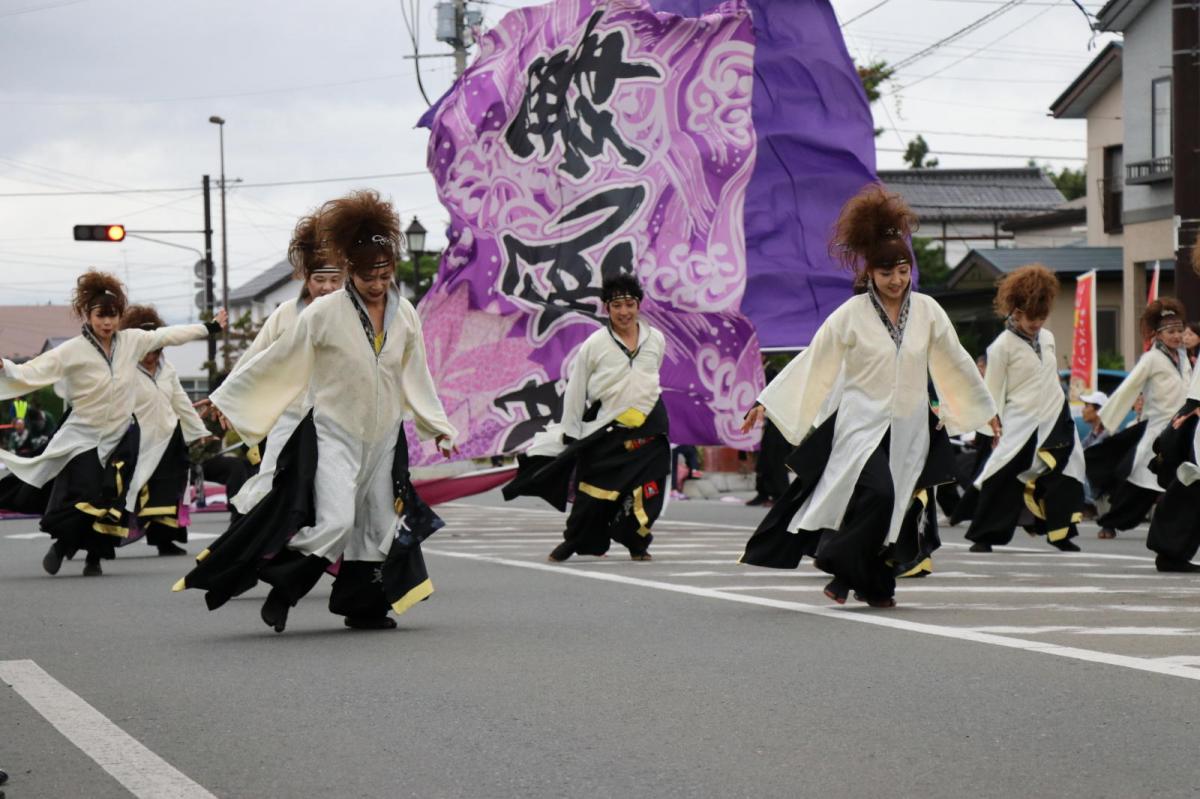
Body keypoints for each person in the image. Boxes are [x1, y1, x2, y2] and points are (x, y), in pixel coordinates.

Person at [177, 189, 457, 632]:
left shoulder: (405, 316)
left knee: (378, 525)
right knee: (336, 520)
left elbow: (416, 373)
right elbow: (277, 359)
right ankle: (283, 588)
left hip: (384, 436)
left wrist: (437, 426)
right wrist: (227, 396)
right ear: (352, 270)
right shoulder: (323, 314)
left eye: (385, 275)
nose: (378, 284)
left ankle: (364, 607)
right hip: (334, 430)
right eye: (369, 276)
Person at [739, 184, 997, 608]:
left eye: (902, 271)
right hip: (860, 426)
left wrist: (984, 411)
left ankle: (872, 583)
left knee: (895, 509)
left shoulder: (929, 311)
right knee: (879, 494)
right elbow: (815, 359)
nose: (896, 280)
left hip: (909, 428)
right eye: (885, 273)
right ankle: (838, 562)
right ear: (869, 274)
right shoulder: (852, 315)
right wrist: (767, 399)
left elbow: (957, 362)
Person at [0, 270, 224, 576]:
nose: (107, 323)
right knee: (86, 493)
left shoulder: (132, 342)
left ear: (120, 316)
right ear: (88, 315)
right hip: (84, 434)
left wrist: (209, 327)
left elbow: (167, 335)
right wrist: (8, 367)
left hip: (121, 436)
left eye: (113, 315)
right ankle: (62, 545)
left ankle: (93, 557)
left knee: (111, 499)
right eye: (100, 316)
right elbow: (36, 371)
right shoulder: (72, 350)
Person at [503, 273, 670, 563]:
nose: (624, 312)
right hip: (608, 427)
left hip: (650, 427)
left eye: (629, 304)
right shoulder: (595, 343)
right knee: (593, 493)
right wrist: (571, 430)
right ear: (606, 308)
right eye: (617, 305)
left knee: (650, 489)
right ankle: (572, 542)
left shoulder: (655, 340)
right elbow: (576, 388)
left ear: (639, 305)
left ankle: (636, 542)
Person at [216, 209, 344, 516]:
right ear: (305, 279)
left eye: (334, 280)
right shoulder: (286, 313)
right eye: (319, 279)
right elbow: (255, 357)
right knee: (273, 481)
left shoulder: (351, 315)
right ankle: (261, 547)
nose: (327, 287)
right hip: (290, 414)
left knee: (337, 491)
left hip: (337, 416)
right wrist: (226, 399)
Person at [961, 265, 1085, 553]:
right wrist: (992, 424)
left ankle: (1060, 532)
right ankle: (984, 535)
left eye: (1042, 317)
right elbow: (991, 391)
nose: (1037, 323)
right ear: (1015, 311)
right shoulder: (1001, 347)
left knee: (1068, 469)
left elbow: (1051, 377)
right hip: (1021, 420)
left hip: (1056, 416)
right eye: (1031, 317)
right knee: (1002, 473)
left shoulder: (1048, 338)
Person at [1086, 298, 1191, 539]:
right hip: (1158, 431)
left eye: (1179, 331)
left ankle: (1179, 528)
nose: (1176, 336)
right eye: (1171, 332)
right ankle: (1110, 522)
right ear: (1158, 335)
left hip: (1182, 428)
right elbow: (1128, 388)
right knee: (1141, 484)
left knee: (1185, 479)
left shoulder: (1184, 359)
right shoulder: (1151, 359)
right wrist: (1107, 418)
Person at [119, 305, 213, 556]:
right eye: (147, 351)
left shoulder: (167, 369)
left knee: (168, 490)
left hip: (168, 440)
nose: (151, 357)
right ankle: (103, 539)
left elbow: (180, 401)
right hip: (134, 441)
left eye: (157, 350)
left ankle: (164, 540)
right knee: (128, 491)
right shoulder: (123, 370)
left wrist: (199, 431)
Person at [747, 360, 789, 507]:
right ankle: (763, 492)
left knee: (775, 461)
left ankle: (780, 495)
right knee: (763, 462)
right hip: (768, 424)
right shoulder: (759, 371)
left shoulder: (771, 372)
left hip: (778, 424)